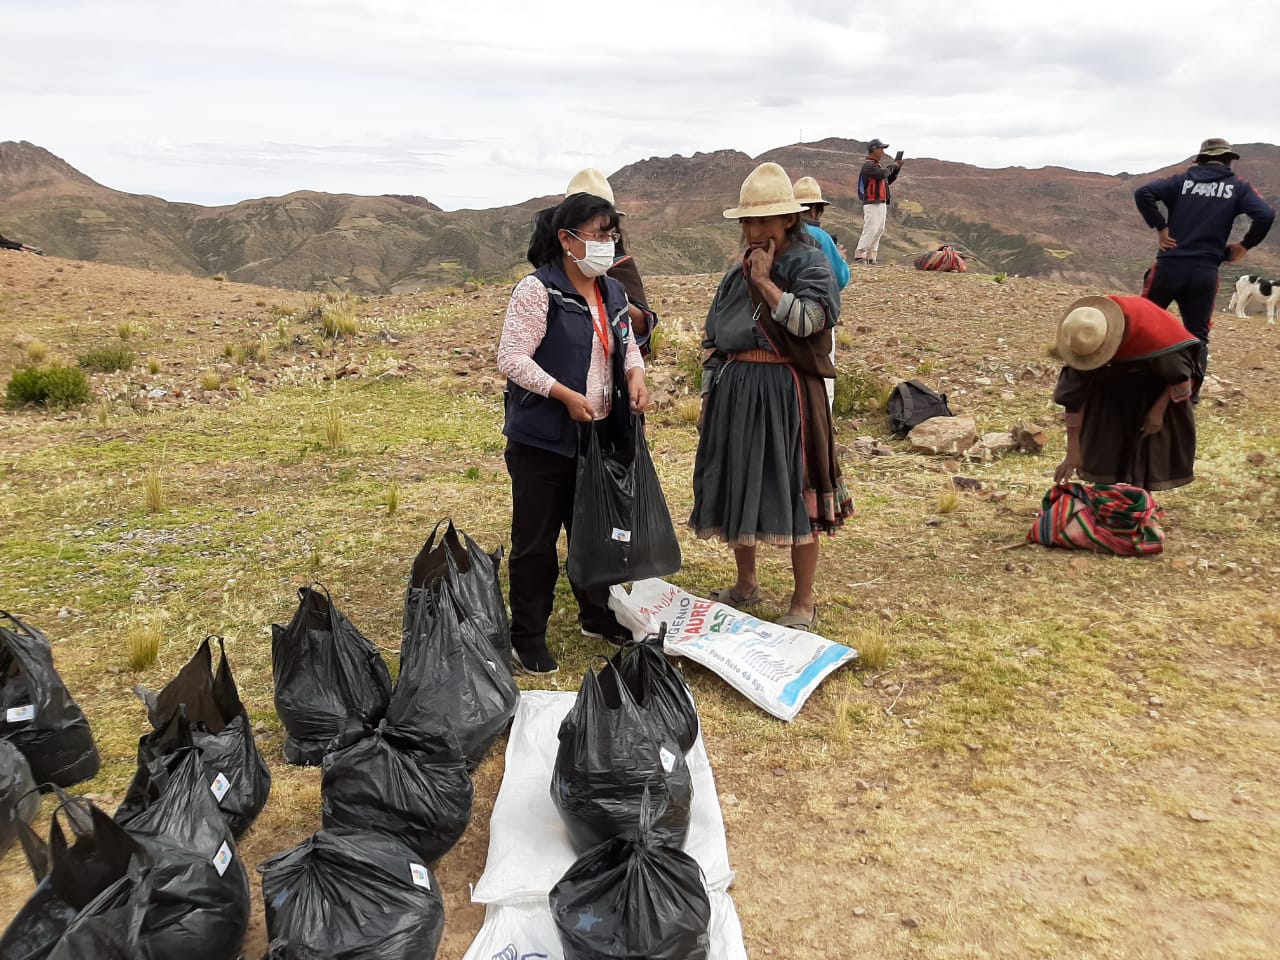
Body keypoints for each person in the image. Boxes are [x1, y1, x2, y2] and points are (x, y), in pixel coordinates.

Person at [690, 162, 852, 631]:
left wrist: (765, 283)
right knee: (742, 482)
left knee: (796, 487)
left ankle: (803, 600)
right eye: (747, 221)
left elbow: (811, 321)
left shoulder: (809, 264)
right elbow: (714, 338)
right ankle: (746, 584)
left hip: (789, 394)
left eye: (763, 221)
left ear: (788, 219)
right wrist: (709, 399)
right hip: (736, 392)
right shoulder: (732, 275)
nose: (753, 231)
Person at [497, 191, 652, 674]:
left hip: (598, 434)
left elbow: (626, 344)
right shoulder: (537, 291)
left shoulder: (612, 292)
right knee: (536, 541)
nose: (608, 243)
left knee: (595, 533)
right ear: (567, 240)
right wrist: (562, 393)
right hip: (542, 440)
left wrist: (637, 376)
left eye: (612, 235)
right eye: (599, 235)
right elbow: (512, 358)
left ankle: (596, 614)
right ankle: (528, 636)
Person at [1133, 138, 1274, 384]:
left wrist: (1161, 227)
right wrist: (1244, 246)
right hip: (1205, 272)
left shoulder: (1181, 181)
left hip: (1168, 268)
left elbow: (1143, 192)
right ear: (1229, 160)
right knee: (1197, 336)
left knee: (1143, 324)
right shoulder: (1237, 186)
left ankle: (1132, 384)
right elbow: (1265, 214)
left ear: (1200, 160)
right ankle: (1189, 398)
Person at [1052, 295, 1200, 492]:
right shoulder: (1082, 334)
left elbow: (1181, 377)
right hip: (1111, 383)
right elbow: (1074, 398)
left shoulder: (1154, 337)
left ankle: (1138, 498)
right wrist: (1073, 451)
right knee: (1104, 431)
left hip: (1155, 384)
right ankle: (1106, 490)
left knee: (1149, 441)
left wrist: (1158, 411)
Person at [566, 168, 660, 356]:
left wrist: (609, 294)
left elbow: (642, 325)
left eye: (607, 231)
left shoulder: (620, 266)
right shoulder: (550, 277)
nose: (603, 238)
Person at [793, 176, 848, 409]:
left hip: (786, 313)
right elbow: (841, 278)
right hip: (819, 317)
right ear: (816, 210)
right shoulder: (823, 239)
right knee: (824, 377)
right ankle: (822, 423)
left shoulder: (781, 234)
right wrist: (841, 257)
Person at [853, 138, 903, 265]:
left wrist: (896, 169)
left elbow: (887, 180)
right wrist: (893, 166)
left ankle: (871, 255)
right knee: (871, 227)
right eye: (881, 149)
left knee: (879, 228)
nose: (883, 152)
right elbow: (882, 174)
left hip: (880, 201)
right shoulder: (868, 166)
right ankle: (861, 254)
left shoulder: (875, 166)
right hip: (872, 202)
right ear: (874, 150)